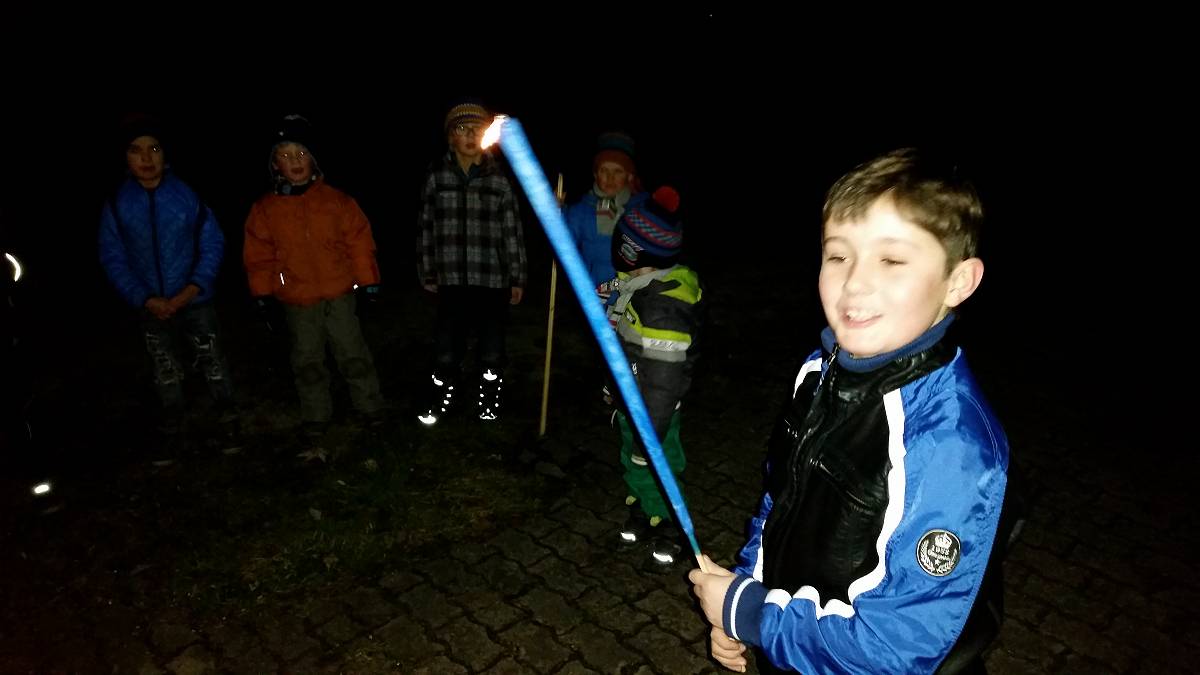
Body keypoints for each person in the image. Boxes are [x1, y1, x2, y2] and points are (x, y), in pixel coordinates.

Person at [689, 148, 1010, 674]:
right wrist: (744, 595)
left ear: (958, 282)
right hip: (794, 649)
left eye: (892, 260)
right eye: (838, 256)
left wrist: (754, 616)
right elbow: (780, 500)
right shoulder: (821, 370)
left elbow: (894, 649)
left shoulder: (950, 445)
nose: (854, 283)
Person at [243, 114, 385, 434]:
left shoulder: (337, 202)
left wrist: (369, 283)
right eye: (286, 154)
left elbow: (360, 244)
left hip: (340, 294)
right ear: (275, 163)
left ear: (314, 160)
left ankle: (370, 406)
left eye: (302, 153)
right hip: (297, 300)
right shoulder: (264, 210)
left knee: (352, 352)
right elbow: (259, 257)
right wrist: (262, 295)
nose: (295, 161)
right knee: (307, 361)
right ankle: (316, 414)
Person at [98, 116, 234, 432]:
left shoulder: (187, 195)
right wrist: (144, 297)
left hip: (195, 298)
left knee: (212, 357)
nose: (146, 158)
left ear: (166, 154)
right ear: (125, 157)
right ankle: (174, 418)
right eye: (136, 150)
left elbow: (213, 241)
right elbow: (112, 256)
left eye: (154, 149)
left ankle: (227, 412)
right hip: (151, 304)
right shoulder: (118, 203)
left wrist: (194, 286)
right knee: (163, 363)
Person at [606, 186, 703, 570]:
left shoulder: (664, 308)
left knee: (659, 467)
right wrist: (613, 388)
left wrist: (651, 432)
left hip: (654, 414)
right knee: (633, 464)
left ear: (633, 251)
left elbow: (664, 382)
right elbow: (624, 350)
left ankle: (674, 528)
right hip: (632, 402)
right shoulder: (635, 288)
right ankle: (645, 512)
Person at [416, 99, 526, 424]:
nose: (469, 135)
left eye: (476, 129)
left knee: (492, 348)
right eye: (462, 129)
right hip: (451, 280)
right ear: (451, 137)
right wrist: (427, 270)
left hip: (492, 280)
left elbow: (512, 231)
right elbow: (425, 227)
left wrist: (517, 276)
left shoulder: (499, 181)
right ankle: (441, 399)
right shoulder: (436, 177)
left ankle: (488, 401)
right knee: (447, 347)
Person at [564, 131, 646, 300]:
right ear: (595, 174)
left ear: (629, 176)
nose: (610, 177)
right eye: (604, 170)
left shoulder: (641, 210)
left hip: (629, 296)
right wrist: (555, 216)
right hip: (592, 294)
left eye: (618, 171)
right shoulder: (582, 210)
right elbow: (564, 241)